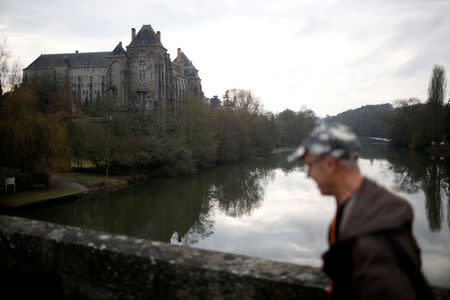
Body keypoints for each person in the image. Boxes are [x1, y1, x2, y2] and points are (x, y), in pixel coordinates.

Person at [287, 122, 434, 300]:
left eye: (309, 165)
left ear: (329, 164)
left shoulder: (373, 242)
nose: (307, 174)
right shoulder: (359, 206)